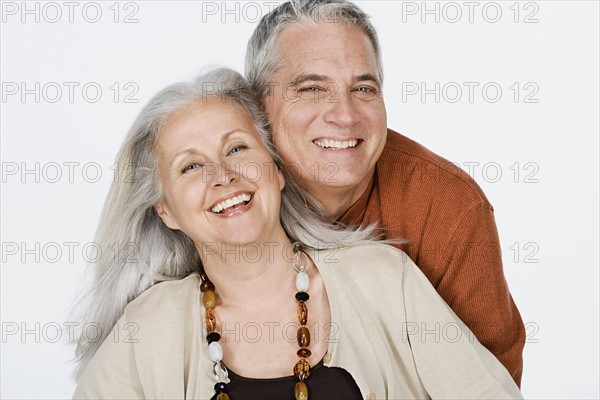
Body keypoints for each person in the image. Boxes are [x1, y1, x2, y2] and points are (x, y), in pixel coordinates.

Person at [72, 68, 522, 399]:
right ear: (165, 209)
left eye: (237, 148)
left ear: (276, 169)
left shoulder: (385, 280)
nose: (223, 175)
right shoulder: (147, 330)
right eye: (191, 166)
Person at [245, 0, 526, 385]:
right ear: (258, 106)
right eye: (312, 88)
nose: (344, 115)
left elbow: (490, 382)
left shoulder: (448, 205)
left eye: (363, 88)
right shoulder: (225, 196)